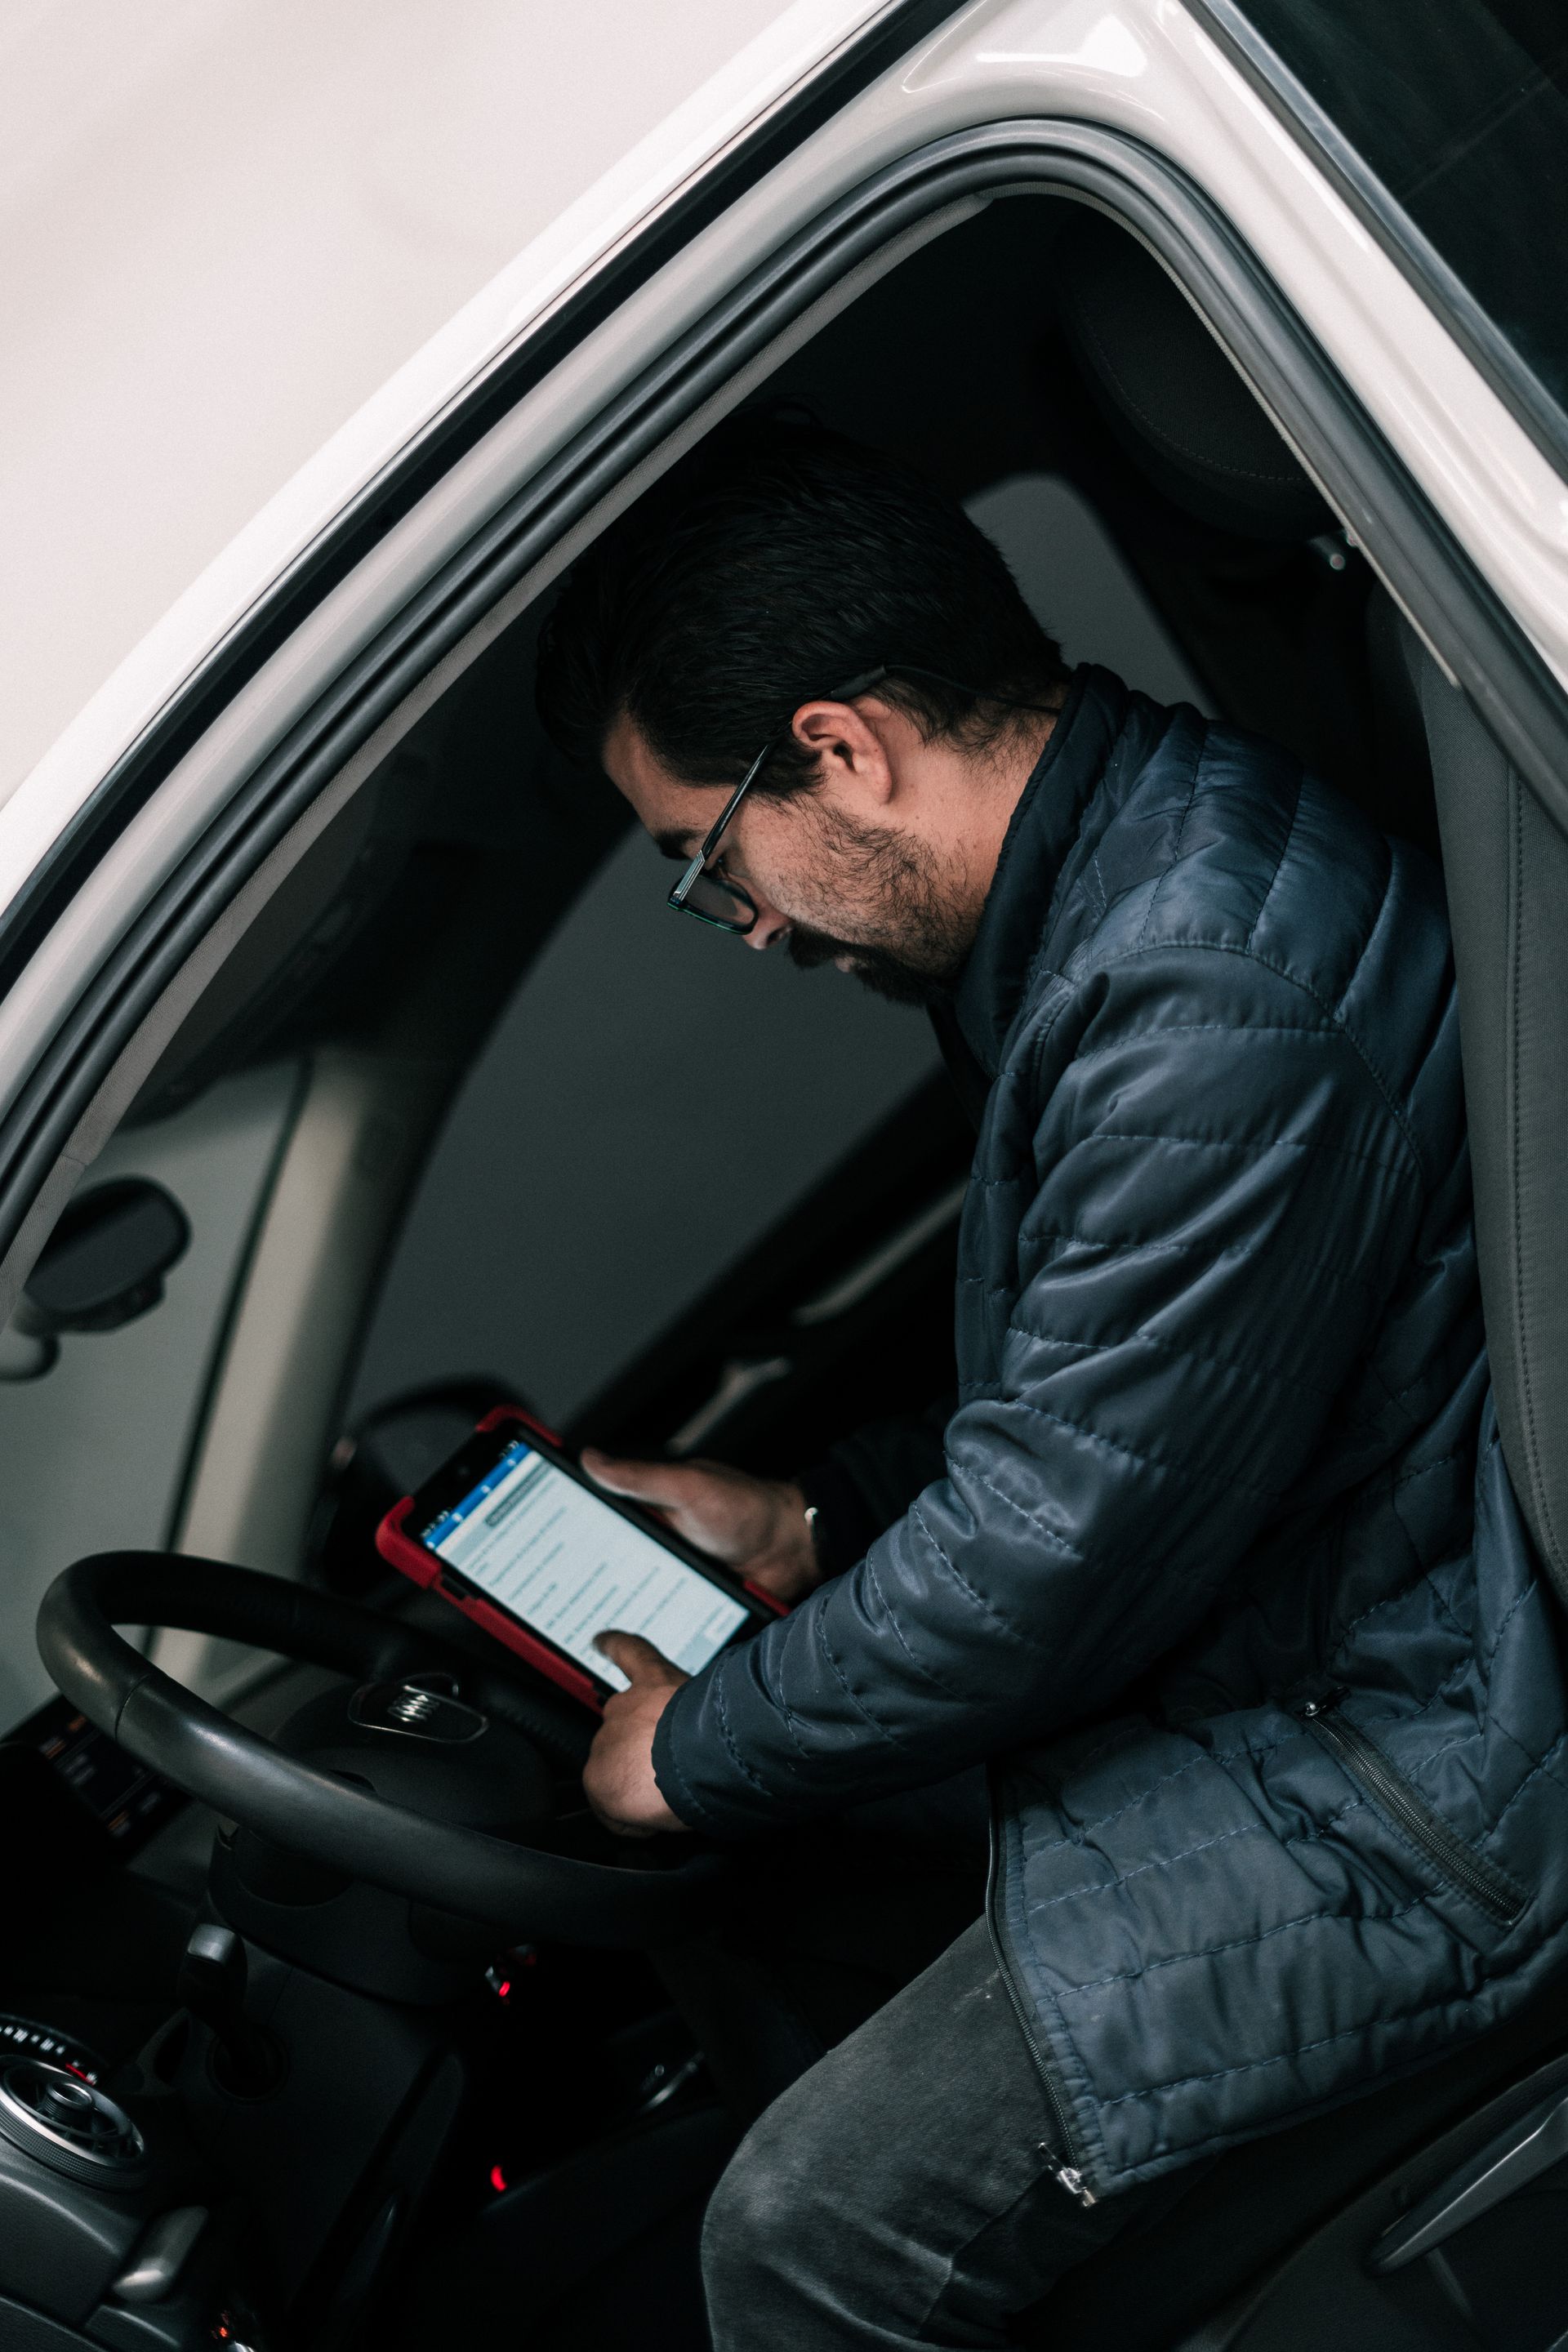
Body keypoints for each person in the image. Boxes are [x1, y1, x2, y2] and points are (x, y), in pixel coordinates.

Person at [532, 416, 1568, 2350]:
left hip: (1413, 1758)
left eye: (709, 858)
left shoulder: (1193, 989)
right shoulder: (1134, 882)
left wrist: (696, 1748)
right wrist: (816, 1515)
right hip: (1312, 1641)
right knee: (787, 1900)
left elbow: (1047, 1549)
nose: (740, 920)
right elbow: (1124, 1396)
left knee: (809, 2233)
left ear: (841, 750)